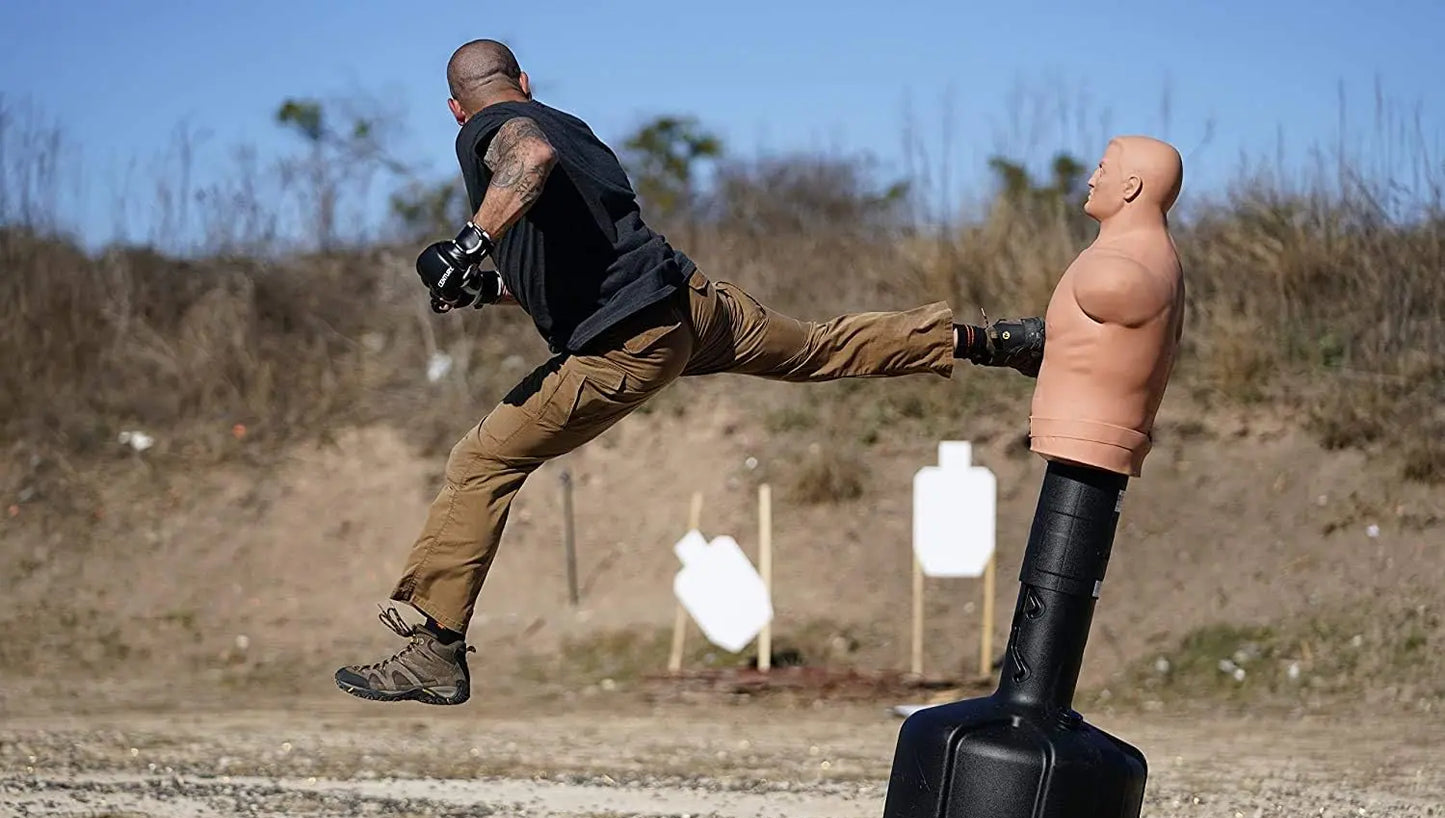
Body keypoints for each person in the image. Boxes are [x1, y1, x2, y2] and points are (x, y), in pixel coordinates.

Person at [334, 39, 1042, 706]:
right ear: (526, 80)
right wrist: (484, 286)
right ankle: (989, 340)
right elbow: (580, 260)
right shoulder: (568, 126)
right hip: (692, 307)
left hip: (627, 342)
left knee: (482, 459)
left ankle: (436, 648)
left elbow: (527, 155)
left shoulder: (496, 131)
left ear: (458, 108)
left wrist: (469, 241)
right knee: (820, 347)